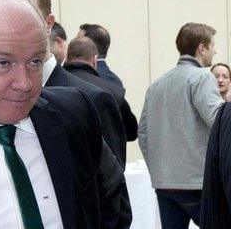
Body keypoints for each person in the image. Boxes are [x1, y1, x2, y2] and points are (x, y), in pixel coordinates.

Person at [0, 0, 130, 229]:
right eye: (3, 63)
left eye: (35, 61)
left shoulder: (75, 115)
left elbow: (112, 205)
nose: (25, 83)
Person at [0, 0, 127, 167]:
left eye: (24, 18)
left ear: (48, 24)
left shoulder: (93, 99)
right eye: (1, 19)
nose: (11, 30)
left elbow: (110, 190)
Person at [139, 22, 224, 229]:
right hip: (197, 182)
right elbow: (219, 123)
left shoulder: (156, 85)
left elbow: (143, 133)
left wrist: (158, 171)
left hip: (164, 182)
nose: (216, 50)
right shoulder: (203, 76)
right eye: (213, 45)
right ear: (201, 48)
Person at [64, 37, 138, 142]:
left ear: (66, 58)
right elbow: (132, 132)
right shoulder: (112, 91)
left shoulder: (49, 86)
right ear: (95, 60)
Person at [77, 23, 123, 87]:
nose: (73, 45)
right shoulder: (116, 81)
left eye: (77, 42)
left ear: (90, 47)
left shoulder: (79, 78)